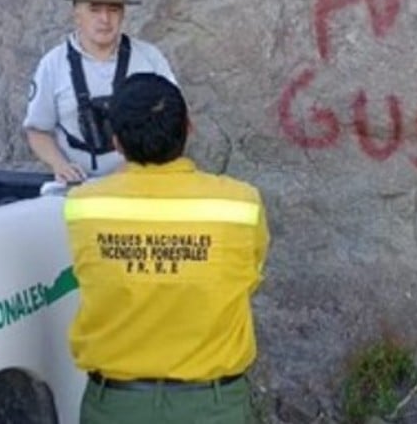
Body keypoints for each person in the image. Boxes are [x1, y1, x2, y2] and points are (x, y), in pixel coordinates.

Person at [63, 73, 270, 424]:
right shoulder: (241, 205)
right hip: (214, 407)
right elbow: (248, 278)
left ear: (117, 143)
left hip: (115, 407)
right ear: (188, 128)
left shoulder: (82, 206)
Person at [23, 0, 179, 183]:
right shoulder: (53, 65)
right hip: (74, 185)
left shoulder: (149, 59)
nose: (105, 19)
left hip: (139, 181)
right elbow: (37, 130)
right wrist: (60, 165)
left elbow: (176, 122)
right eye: (94, 9)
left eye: (113, 9)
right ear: (76, 14)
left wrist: (135, 167)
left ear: (123, 14)